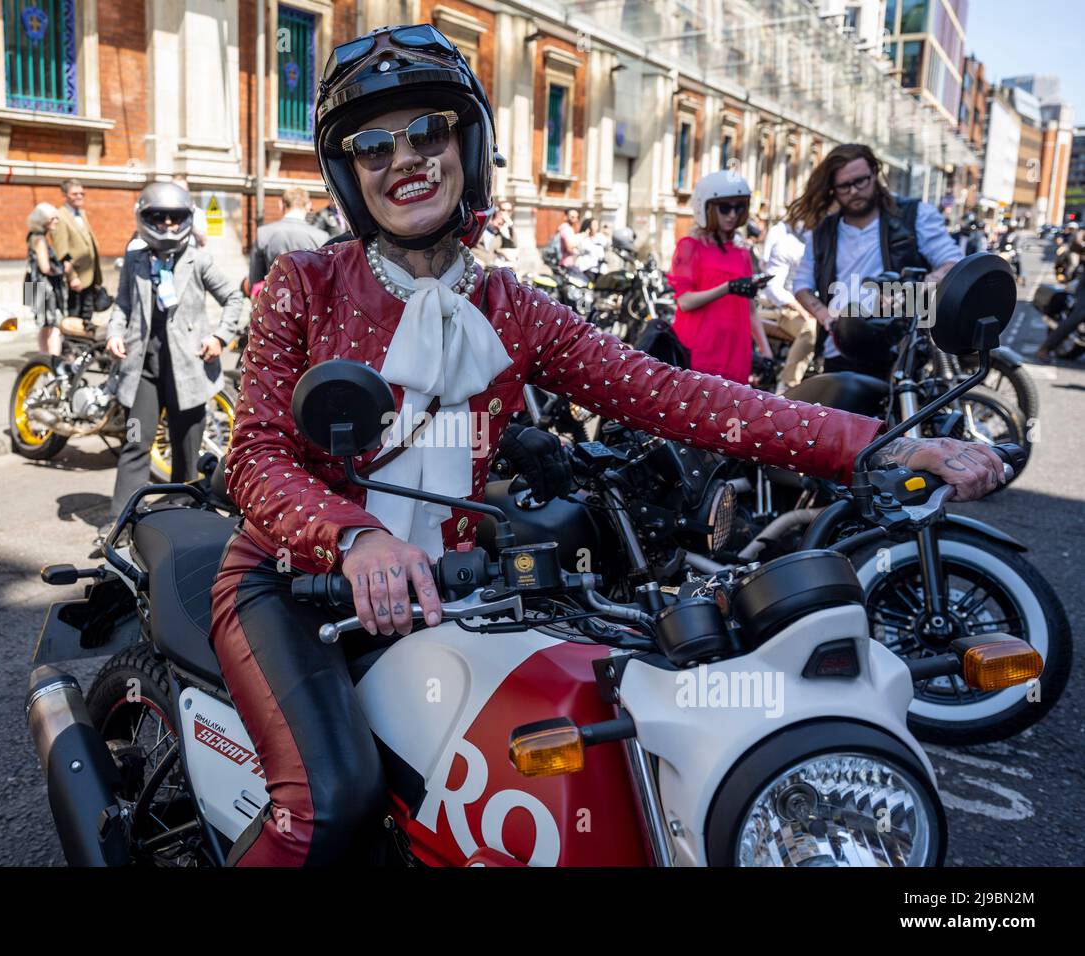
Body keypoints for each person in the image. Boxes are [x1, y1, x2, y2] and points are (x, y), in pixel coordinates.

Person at [206, 23, 1007, 868]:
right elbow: (254, 454)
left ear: (466, 145)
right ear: (348, 173)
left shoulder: (514, 307)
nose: (404, 159)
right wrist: (355, 538)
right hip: (291, 583)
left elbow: (670, 393)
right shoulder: (306, 284)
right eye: (373, 145)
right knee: (329, 807)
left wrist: (876, 446)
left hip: (452, 590)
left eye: (427, 131)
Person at [102, 183, 242, 533]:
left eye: (174, 218)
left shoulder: (199, 259)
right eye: (157, 218)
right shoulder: (135, 258)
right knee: (136, 443)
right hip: (144, 368)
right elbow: (122, 304)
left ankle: (184, 517)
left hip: (190, 370)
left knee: (186, 449)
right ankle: (120, 522)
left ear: (185, 219)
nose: (166, 225)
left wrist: (220, 336)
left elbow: (233, 299)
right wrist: (114, 333)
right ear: (143, 218)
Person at [788, 144, 963, 380]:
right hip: (840, 350)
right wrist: (825, 316)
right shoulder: (821, 232)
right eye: (844, 186)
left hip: (901, 350)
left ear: (874, 173)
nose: (854, 191)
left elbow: (952, 262)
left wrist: (917, 287)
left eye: (861, 181)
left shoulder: (915, 215)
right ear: (832, 188)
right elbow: (802, 285)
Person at [665, 171, 773, 385]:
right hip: (699, 350)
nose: (732, 214)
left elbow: (750, 309)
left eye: (738, 207)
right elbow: (685, 302)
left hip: (735, 352)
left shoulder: (742, 253)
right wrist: (728, 287)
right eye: (725, 208)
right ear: (707, 208)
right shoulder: (690, 247)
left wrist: (767, 353)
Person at [758, 213, 817, 393]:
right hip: (791, 309)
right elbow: (773, 286)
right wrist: (801, 308)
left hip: (823, 307)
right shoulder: (786, 243)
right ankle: (787, 388)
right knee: (811, 328)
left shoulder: (834, 240)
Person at [248, 186, 329, 290]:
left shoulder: (263, 234)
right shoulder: (321, 237)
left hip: (274, 301)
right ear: (308, 206)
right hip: (309, 303)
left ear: (281, 205)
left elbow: (255, 282)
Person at [51, 178, 103, 322]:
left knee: (87, 317)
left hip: (90, 275)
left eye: (82, 193)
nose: (79, 196)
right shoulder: (60, 216)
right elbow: (61, 252)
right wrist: (72, 277)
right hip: (76, 280)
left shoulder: (81, 214)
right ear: (65, 195)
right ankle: (72, 345)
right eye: (75, 194)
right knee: (74, 319)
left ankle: (84, 344)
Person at [25, 202, 66, 359]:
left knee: (42, 326)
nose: (56, 221)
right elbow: (45, 267)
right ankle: (53, 363)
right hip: (44, 287)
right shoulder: (40, 239)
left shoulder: (31, 236)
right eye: (53, 218)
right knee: (53, 326)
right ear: (44, 220)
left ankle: (43, 360)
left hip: (33, 284)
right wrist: (63, 269)